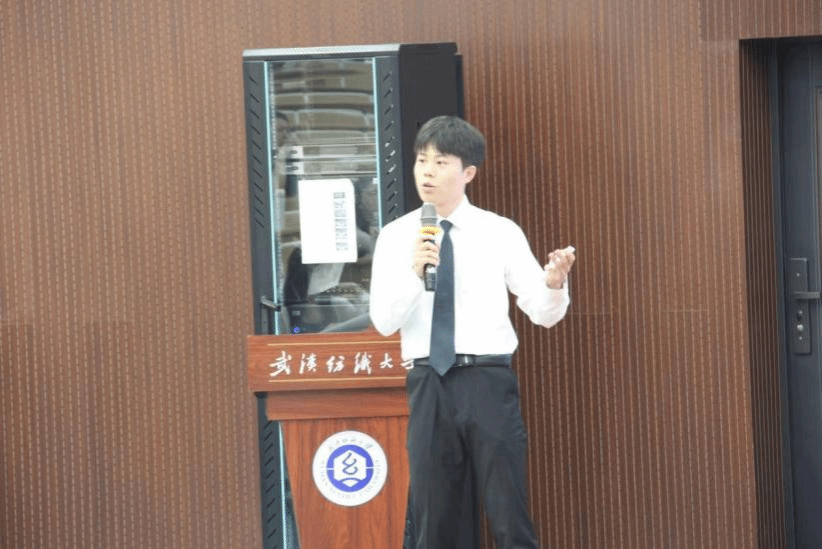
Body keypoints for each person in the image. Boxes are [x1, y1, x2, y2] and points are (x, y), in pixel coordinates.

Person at [369, 115, 575, 549]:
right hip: (428, 382)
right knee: (433, 518)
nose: (427, 171)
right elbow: (384, 321)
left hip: (487, 381)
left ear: (468, 173)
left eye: (441, 161)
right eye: (421, 160)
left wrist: (554, 284)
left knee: (508, 511)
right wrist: (414, 272)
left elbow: (543, 313)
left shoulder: (499, 231)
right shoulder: (396, 236)